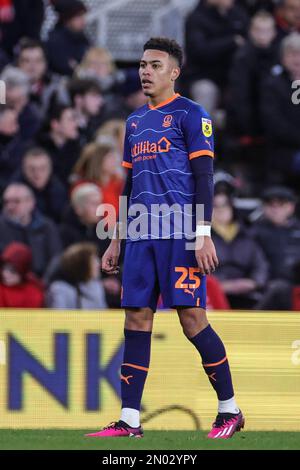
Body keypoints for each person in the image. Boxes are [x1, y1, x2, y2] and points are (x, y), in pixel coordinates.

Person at [86, 37, 244, 440]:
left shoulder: (192, 115)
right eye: (141, 64)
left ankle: (229, 409)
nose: (145, 71)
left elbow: (205, 177)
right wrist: (116, 238)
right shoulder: (134, 122)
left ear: (174, 71)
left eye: (154, 65)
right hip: (140, 233)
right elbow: (129, 182)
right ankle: (130, 420)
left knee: (192, 319)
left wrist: (203, 234)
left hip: (180, 231)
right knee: (136, 318)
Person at [211, 192, 269, 309]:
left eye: (224, 205)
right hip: (214, 292)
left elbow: (261, 265)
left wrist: (254, 282)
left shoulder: (247, 235)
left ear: (232, 208)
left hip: (248, 292)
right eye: (215, 206)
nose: (220, 210)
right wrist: (220, 285)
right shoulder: (200, 236)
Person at [260, 33, 300, 185]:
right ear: (283, 59)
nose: (297, 59)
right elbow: (274, 124)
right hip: (284, 150)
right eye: (292, 54)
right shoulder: (272, 85)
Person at [0, 183, 62, 276]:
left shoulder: (47, 226)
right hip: (10, 281)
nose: (10, 206)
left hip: (43, 280)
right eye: (7, 202)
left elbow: (56, 258)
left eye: (16, 201)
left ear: (31, 202)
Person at [70, 141, 124, 225]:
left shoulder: (119, 183)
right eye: (110, 158)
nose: (115, 162)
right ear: (98, 161)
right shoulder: (82, 187)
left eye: (114, 158)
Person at [11, 147, 68, 222]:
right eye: (32, 169)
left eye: (43, 168)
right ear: (23, 169)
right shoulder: (13, 192)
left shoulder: (59, 190)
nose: (37, 174)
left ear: (50, 169)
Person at [46, 242, 107, 309]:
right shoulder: (59, 289)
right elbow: (58, 317)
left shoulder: (96, 287)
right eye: (93, 260)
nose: (98, 264)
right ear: (81, 264)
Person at [37, 103, 81, 185]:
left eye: (75, 120)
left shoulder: (77, 148)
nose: (76, 124)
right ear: (55, 124)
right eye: (71, 120)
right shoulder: (38, 148)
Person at [45, 0, 90, 76]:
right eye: (79, 16)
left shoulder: (82, 38)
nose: (83, 21)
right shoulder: (55, 41)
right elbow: (65, 67)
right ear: (67, 18)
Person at [0, 241, 44, 308]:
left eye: (13, 271)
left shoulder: (34, 292)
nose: (5, 273)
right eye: (3, 268)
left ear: (22, 271)